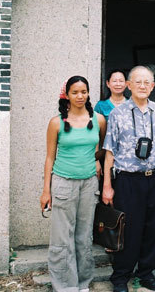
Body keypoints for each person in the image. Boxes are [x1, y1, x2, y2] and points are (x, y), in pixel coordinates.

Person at [102, 66, 155, 292]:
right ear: (129, 85)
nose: (142, 86)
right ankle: (121, 276)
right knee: (128, 229)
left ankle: (146, 273)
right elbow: (109, 152)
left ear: (153, 86)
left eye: (147, 83)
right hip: (128, 181)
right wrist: (107, 187)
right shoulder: (117, 113)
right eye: (138, 82)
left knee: (153, 227)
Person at [40, 75, 106, 292]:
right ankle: (66, 286)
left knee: (84, 235)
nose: (80, 96)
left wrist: (95, 163)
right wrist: (45, 190)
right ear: (66, 95)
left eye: (84, 92)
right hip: (63, 183)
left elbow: (100, 150)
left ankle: (83, 283)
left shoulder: (98, 119)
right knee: (62, 237)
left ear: (88, 93)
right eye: (75, 92)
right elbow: (50, 157)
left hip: (89, 184)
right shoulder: (56, 122)